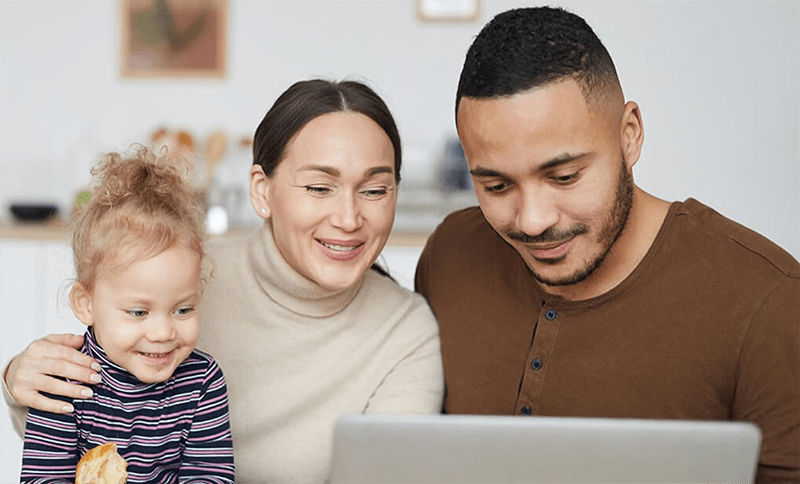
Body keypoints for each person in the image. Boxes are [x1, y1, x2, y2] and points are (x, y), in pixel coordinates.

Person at [413, 6, 799, 483]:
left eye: (564, 176)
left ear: (629, 135)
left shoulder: (769, 302)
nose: (533, 221)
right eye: (496, 186)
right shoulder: (450, 253)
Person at [4, 79, 445, 483]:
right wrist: (16, 377)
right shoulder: (179, 275)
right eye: (318, 187)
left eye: (374, 190)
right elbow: (74, 424)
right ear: (261, 190)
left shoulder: (405, 333)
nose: (349, 219)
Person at [19, 148, 234, 482]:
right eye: (138, 312)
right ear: (85, 303)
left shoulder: (202, 382)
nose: (163, 332)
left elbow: (211, 476)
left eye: (183, 309)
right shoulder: (63, 383)